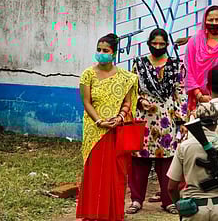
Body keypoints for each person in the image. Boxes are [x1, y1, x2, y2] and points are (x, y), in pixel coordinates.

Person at [77, 33, 138, 220]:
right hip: (95, 130)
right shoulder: (88, 74)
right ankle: (91, 213)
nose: (101, 53)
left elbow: (127, 103)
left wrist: (120, 117)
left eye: (106, 50)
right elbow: (86, 103)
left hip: (116, 130)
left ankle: (112, 213)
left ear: (114, 53)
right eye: (99, 50)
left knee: (115, 173)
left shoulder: (125, 77)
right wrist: (99, 121)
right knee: (94, 171)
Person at [126, 28, 185, 215]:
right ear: (149, 44)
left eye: (161, 44)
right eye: (154, 43)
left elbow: (181, 92)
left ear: (167, 45)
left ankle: (169, 200)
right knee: (139, 161)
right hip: (143, 118)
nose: (157, 47)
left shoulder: (176, 66)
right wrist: (141, 102)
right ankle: (136, 200)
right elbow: (132, 90)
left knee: (167, 162)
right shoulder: (139, 64)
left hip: (166, 118)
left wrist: (181, 119)